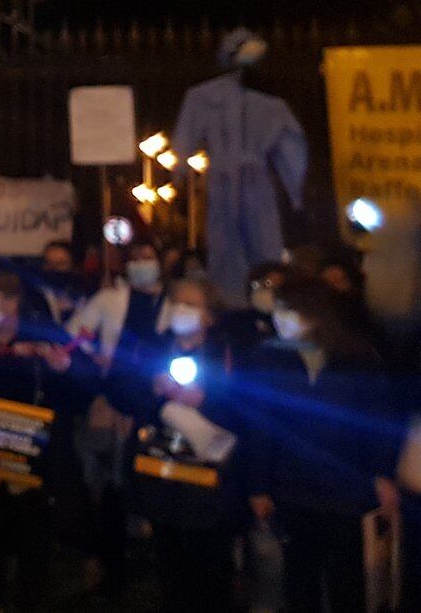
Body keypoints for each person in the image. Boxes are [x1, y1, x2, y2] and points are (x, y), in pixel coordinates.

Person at [0, 271, 100, 612]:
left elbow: (85, 386)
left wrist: (64, 367)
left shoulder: (44, 334)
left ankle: (29, 598)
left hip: (36, 451)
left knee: (33, 531)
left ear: (13, 302)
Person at [242, 277, 401, 613]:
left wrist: (381, 473)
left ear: (315, 313)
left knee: (347, 580)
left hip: (344, 488)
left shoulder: (356, 358)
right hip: (292, 488)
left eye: (289, 310)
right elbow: (258, 427)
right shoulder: (270, 359)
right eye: (278, 310)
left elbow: (377, 422)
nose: (280, 318)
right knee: (300, 578)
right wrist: (258, 487)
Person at [108, 276, 245, 613]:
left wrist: (205, 400)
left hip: (206, 477)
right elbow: (119, 389)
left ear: (209, 316)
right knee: (169, 554)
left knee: (210, 558)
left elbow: (247, 408)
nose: (180, 310)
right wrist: (153, 395)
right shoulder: (151, 347)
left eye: (191, 304)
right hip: (162, 470)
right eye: (176, 302)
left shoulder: (226, 352)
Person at [64, 239, 165, 600]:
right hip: (114, 400)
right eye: (135, 258)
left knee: (151, 485)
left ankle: (153, 567)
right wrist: (94, 355)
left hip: (157, 404)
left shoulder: (169, 301)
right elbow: (76, 332)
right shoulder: (110, 299)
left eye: (147, 257)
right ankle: (113, 572)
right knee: (110, 487)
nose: (141, 263)